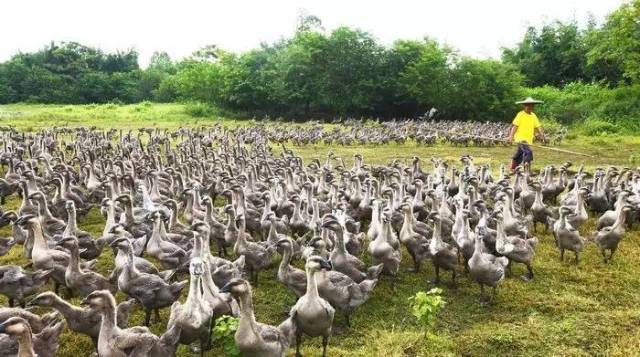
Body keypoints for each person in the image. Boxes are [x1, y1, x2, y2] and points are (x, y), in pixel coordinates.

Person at [507, 97, 546, 170]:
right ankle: (527, 170)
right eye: (528, 105)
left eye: (531, 105)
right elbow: (515, 126)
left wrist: (542, 137)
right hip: (520, 138)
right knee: (528, 152)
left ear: (533, 106)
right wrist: (511, 137)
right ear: (524, 106)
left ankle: (512, 167)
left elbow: (538, 127)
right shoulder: (520, 114)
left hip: (528, 140)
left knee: (520, 154)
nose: (530, 107)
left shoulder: (533, 116)